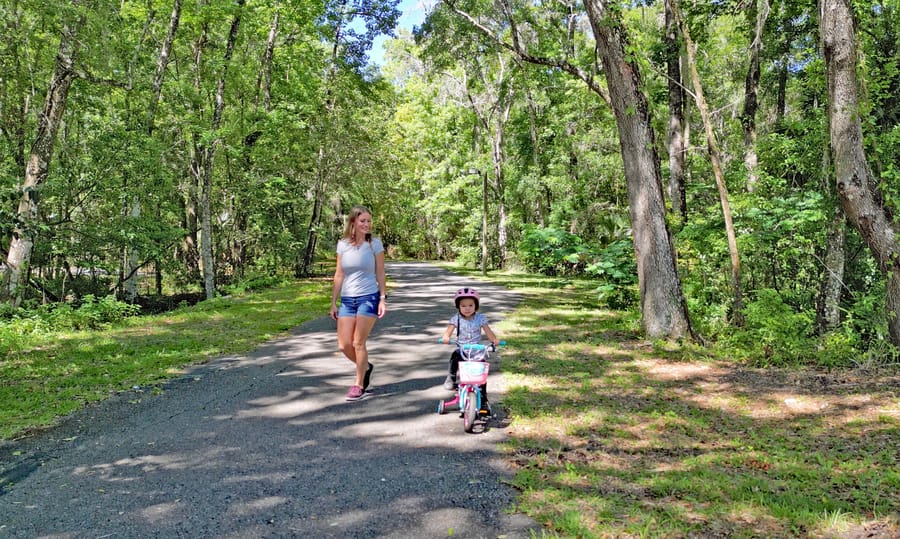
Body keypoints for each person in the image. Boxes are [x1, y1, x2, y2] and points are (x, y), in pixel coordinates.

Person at [330, 205, 387, 401]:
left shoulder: (374, 245)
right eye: (362, 221)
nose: (366, 224)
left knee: (358, 342)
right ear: (353, 222)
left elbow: (380, 273)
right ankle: (366, 366)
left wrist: (382, 298)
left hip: (369, 297)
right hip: (347, 299)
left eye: (369, 221)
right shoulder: (343, 245)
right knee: (344, 345)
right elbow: (339, 274)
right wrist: (333, 302)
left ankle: (358, 383)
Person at [438, 287, 500, 413]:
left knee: (481, 376)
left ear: (476, 306)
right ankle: (451, 377)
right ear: (458, 307)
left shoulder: (481, 318)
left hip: (477, 351)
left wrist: (494, 340)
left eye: (471, 305)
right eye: (463, 306)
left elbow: (488, 332)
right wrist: (445, 337)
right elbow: (448, 333)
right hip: (462, 349)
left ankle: (483, 400)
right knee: (455, 356)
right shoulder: (456, 319)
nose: (467, 308)